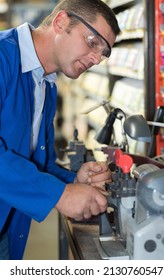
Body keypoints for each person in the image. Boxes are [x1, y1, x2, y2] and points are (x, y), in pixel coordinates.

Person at [0, 0, 120, 260]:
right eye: (92, 42)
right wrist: (59, 194)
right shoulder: (2, 58)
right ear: (60, 22)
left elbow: (34, 162)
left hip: (7, 227)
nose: (97, 59)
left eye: (104, 53)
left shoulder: (45, 84)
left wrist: (73, 181)